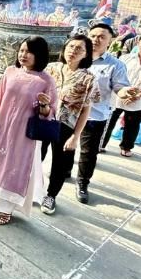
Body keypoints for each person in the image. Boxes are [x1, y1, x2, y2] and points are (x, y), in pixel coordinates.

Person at [0, 37, 57, 225]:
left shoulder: (45, 80)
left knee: (15, 168)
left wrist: (44, 105)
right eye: (21, 50)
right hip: (3, 128)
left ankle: (7, 208)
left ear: (39, 55)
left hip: (23, 134)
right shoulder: (10, 71)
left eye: (29, 51)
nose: (23, 55)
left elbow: (49, 113)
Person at [39, 35, 99, 215]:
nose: (73, 51)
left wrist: (76, 136)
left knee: (60, 163)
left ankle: (50, 196)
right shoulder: (50, 68)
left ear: (86, 54)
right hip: (43, 120)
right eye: (71, 46)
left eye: (79, 48)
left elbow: (85, 111)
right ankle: (29, 188)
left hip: (66, 126)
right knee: (35, 156)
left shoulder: (88, 78)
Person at [75, 23, 135, 203]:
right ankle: (63, 172)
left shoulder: (115, 65)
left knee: (88, 152)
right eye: (93, 35)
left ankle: (82, 183)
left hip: (95, 115)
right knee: (64, 147)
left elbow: (120, 87)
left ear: (110, 41)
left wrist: (126, 93)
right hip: (69, 113)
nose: (96, 39)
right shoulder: (75, 56)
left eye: (102, 37)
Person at [101, 35, 141, 157]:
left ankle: (126, 147)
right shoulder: (125, 58)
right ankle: (101, 144)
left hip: (140, 100)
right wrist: (123, 92)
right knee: (108, 122)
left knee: (132, 125)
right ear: (138, 43)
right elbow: (115, 76)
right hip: (118, 96)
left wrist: (137, 95)